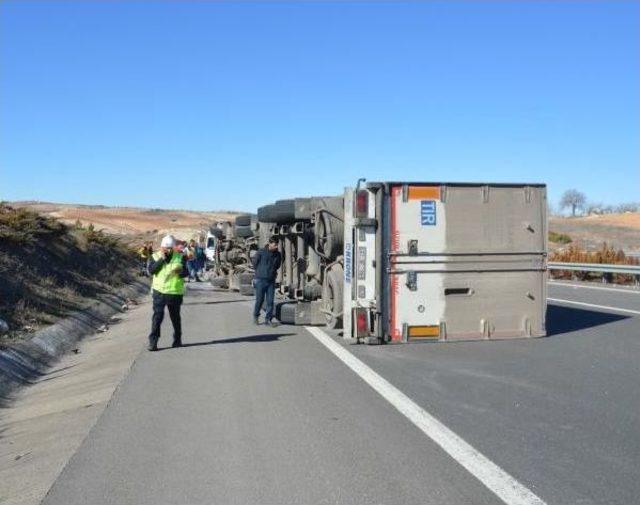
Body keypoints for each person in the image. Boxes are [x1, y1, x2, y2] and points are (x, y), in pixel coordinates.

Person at [147, 235, 188, 351]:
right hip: (159, 292)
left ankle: (177, 339)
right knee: (157, 317)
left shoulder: (180, 257)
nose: (167, 250)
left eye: (169, 248)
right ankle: (153, 342)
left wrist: (180, 272)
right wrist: (162, 259)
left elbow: (186, 272)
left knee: (175, 318)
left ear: (173, 248)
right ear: (161, 247)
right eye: (165, 248)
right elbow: (151, 270)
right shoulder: (155, 256)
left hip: (174, 293)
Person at [252, 236, 282, 326]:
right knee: (259, 300)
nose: (276, 246)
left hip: (270, 281)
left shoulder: (278, 254)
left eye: (277, 245)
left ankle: (268, 319)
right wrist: (260, 272)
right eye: (275, 244)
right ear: (270, 243)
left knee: (270, 301)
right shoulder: (261, 252)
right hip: (260, 280)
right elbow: (254, 263)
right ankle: (256, 316)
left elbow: (278, 265)